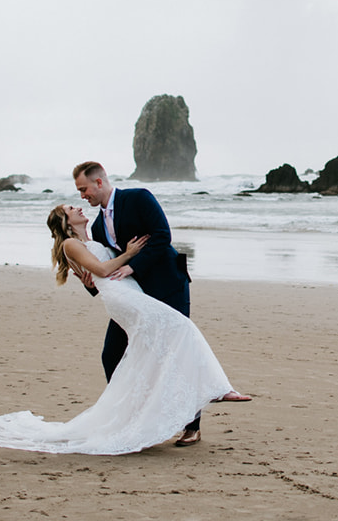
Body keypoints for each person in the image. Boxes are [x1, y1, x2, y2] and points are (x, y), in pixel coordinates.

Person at [0, 204, 248, 454]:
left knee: (155, 348)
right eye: (71, 208)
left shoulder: (92, 238)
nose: (79, 206)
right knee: (182, 329)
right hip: (123, 297)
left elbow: (98, 271)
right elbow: (104, 271)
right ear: (65, 222)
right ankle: (217, 390)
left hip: (131, 294)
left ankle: (169, 408)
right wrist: (131, 254)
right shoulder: (70, 244)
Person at [71, 160, 248, 444]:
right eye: (80, 192)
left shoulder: (138, 198)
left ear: (99, 182)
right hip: (133, 299)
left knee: (174, 352)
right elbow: (107, 270)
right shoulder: (98, 227)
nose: (82, 196)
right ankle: (127, 417)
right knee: (111, 353)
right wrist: (90, 283)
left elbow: (163, 236)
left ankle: (193, 425)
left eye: (84, 189)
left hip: (168, 286)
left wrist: (134, 266)